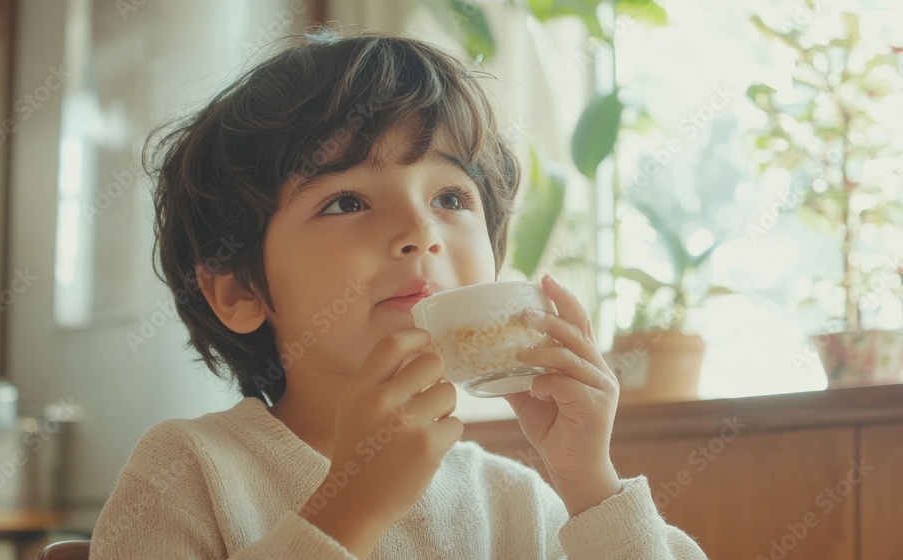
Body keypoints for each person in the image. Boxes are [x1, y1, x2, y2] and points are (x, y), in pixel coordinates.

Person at [90, 30, 708, 559]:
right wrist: (349, 509)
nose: (421, 234)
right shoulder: (187, 470)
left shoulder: (515, 501)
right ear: (240, 289)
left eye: (451, 199)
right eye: (347, 202)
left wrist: (588, 480)